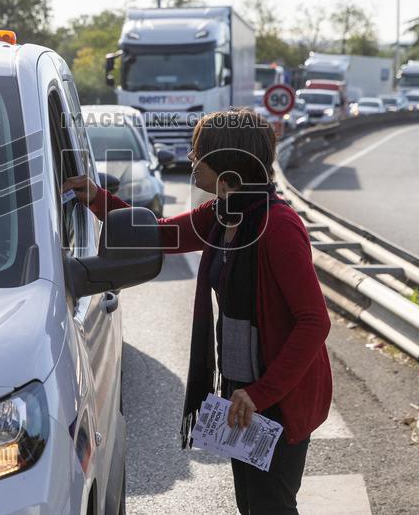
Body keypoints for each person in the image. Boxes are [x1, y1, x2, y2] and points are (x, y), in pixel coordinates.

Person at [63, 107, 332, 514]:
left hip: (278, 395)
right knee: (252, 504)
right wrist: (97, 200)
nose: (191, 159)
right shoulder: (223, 214)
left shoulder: (279, 226)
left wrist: (260, 393)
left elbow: (314, 322)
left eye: (199, 152)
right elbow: (160, 233)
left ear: (227, 164)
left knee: (271, 505)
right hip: (243, 389)